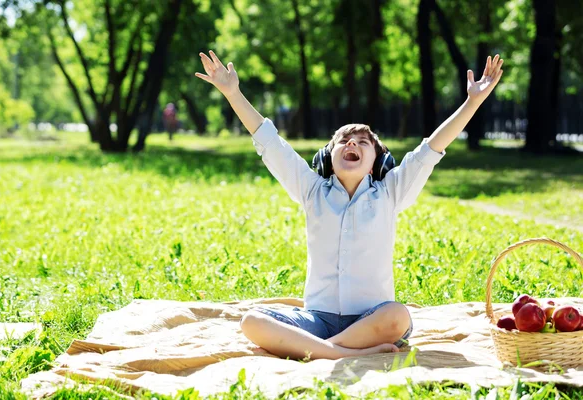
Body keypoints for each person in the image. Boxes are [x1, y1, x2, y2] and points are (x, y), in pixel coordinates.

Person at [195, 50, 504, 361]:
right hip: (318, 321)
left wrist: (473, 102)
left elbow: (433, 146)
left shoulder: (390, 192)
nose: (351, 144)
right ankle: (335, 352)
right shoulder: (312, 189)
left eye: (362, 142)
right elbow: (270, 142)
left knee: (398, 316)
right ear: (328, 159)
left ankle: (322, 349)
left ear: (375, 164)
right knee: (252, 322)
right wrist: (232, 93)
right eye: (342, 141)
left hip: (372, 320)